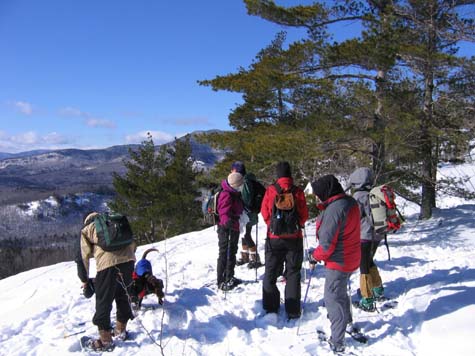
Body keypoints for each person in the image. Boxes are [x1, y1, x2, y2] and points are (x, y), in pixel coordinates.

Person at [310, 175, 361, 353]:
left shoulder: (334, 209)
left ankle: (337, 340)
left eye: (318, 193)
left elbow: (326, 245)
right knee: (340, 292)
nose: (316, 197)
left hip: (339, 260)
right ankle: (347, 322)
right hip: (352, 255)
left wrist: (314, 256)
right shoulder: (350, 202)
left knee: (332, 298)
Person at [76, 212, 136, 352]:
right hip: (129, 261)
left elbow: (81, 258)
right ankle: (121, 331)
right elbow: (132, 242)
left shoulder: (87, 229)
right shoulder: (115, 221)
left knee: (103, 300)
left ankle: (105, 341)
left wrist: (85, 281)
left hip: (107, 266)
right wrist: (128, 259)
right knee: (123, 295)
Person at [260, 161, 308, 319]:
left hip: (274, 238)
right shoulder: (298, 191)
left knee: (270, 272)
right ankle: (293, 309)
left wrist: (272, 226)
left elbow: (265, 212)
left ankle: (270, 307)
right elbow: (304, 214)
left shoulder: (271, 190)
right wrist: (298, 225)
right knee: (293, 273)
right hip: (294, 238)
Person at [348, 167, 385, 311]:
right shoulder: (374, 193)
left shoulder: (358, 197)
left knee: (363, 265)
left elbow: (354, 218)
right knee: (369, 261)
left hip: (364, 236)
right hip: (377, 235)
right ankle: (377, 288)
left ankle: (367, 298)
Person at [231, 161, 265, 269]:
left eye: (232, 170)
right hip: (249, 213)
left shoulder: (245, 182)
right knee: (244, 234)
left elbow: (247, 200)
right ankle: (245, 256)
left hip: (247, 214)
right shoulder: (247, 180)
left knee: (246, 235)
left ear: (236, 170)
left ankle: (255, 258)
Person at [216, 172, 245, 291]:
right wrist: (227, 221)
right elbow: (223, 211)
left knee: (232, 251)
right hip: (226, 228)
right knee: (225, 252)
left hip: (233, 226)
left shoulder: (234, 193)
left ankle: (229, 276)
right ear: (235, 185)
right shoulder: (227, 194)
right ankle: (221, 280)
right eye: (240, 184)